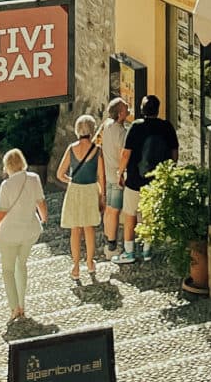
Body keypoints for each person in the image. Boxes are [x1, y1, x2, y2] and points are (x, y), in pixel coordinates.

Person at [0, 147, 48, 321]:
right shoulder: (34, 178)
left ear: (7, 166)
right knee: (22, 265)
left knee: (8, 270)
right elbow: (41, 203)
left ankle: (14, 308)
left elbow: (1, 213)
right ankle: (22, 304)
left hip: (9, 234)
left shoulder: (7, 185)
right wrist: (43, 219)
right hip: (29, 231)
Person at [118, 93, 179, 263]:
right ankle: (147, 250)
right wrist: (168, 173)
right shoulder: (167, 127)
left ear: (142, 109)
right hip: (156, 180)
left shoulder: (136, 127)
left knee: (130, 214)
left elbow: (126, 154)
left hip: (135, 180)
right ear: (158, 110)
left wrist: (120, 172)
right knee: (149, 215)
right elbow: (174, 153)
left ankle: (129, 252)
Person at [56, 114, 106, 283]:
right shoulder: (97, 150)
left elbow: (59, 174)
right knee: (89, 229)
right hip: (91, 190)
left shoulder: (71, 149)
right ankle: (90, 262)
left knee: (75, 230)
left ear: (78, 130)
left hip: (75, 191)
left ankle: (76, 267)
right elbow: (101, 176)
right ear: (92, 131)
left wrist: (71, 181)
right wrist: (103, 195)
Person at [100, 96, 131, 254]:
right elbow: (123, 155)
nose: (129, 108)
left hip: (108, 172)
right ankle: (112, 244)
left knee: (109, 210)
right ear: (120, 114)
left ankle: (107, 239)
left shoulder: (107, 125)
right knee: (115, 210)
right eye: (126, 107)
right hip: (117, 175)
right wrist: (122, 174)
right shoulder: (121, 133)